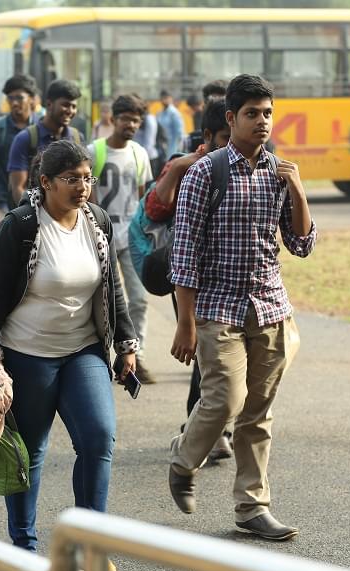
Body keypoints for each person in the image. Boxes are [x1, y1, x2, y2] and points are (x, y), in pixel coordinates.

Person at [0, 140, 141, 571]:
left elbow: (111, 287)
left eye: (88, 177)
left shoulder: (96, 221)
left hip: (83, 349)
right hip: (28, 354)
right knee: (32, 452)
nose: (83, 187)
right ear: (45, 183)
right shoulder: (22, 226)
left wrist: (126, 343)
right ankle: (24, 551)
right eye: (72, 179)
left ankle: (93, 556)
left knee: (99, 437)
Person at [168, 75, 316, 541]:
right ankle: (184, 458)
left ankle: (252, 507)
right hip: (219, 309)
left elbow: (302, 243)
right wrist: (185, 324)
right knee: (225, 399)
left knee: (258, 411)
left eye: (268, 113)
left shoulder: (278, 172)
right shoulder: (205, 172)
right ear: (230, 119)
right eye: (252, 113)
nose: (262, 122)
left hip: (269, 307)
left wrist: (297, 190)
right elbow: (184, 254)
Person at [145, 99, 234, 459]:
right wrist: (180, 165)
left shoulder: (251, 162)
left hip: (228, 275)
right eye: (225, 137)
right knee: (203, 352)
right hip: (187, 272)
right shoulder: (189, 165)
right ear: (208, 136)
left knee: (218, 356)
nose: (233, 143)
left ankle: (208, 430)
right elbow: (156, 207)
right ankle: (200, 432)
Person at [87, 95, 154, 382]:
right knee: (104, 301)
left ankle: (135, 356)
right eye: (126, 118)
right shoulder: (94, 151)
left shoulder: (139, 154)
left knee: (139, 299)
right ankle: (101, 356)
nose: (131, 124)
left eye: (136, 120)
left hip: (132, 237)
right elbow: (86, 194)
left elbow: (142, 196)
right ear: (112, 119)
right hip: (102, 237)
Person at [7, 79, 84, 207]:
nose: (70, 111)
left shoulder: (77, 138)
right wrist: (36, 216)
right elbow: (17, 188)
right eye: (65, 105)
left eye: (74, 106)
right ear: (49, 104)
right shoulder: (25, 139)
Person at [0, 74, 38, 219]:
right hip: (3, 205)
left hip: (40, 204)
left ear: (32, 99)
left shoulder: (41, 128)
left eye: (19, 98)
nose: (14, 103)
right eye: (10, 98)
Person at [157, 90, 185, 161]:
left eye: (166, 98)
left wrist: (178, 150)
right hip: (162, 147)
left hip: (173, 147)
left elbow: (179, 133)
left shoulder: (174, 113)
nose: (164, 100)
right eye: (162, 98)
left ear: (171, 98)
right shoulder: (160, 113)